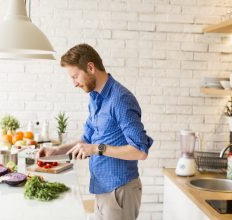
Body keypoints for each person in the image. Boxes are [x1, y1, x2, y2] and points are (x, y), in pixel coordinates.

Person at [38, 44, 153, 220]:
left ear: (90, 67)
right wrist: (56, 151)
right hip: (103, 188)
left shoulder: (120, 99)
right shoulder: (95, 98)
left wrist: (96, 148)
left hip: (119, 189)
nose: (74, 83)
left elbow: (140, 151)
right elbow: (86, 140)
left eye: (75, 76)